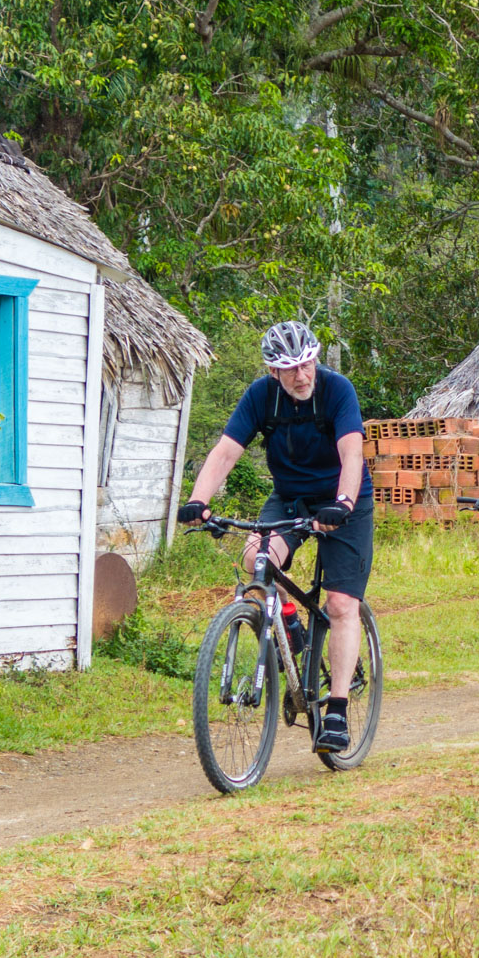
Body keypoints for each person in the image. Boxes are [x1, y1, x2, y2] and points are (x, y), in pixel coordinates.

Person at [179, 321, 372, 754]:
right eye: (290, 369)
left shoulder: (337, 390)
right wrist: (198, 500)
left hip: (345, 500)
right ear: (273, 372)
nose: (301, 376)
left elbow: (351, 453)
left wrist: (342, 503)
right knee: (256, 558)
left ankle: (337, 710)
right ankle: (289, 619)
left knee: (341, 604)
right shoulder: (260, 397)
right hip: (290, 498)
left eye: (307, 364)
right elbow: (226, 452)